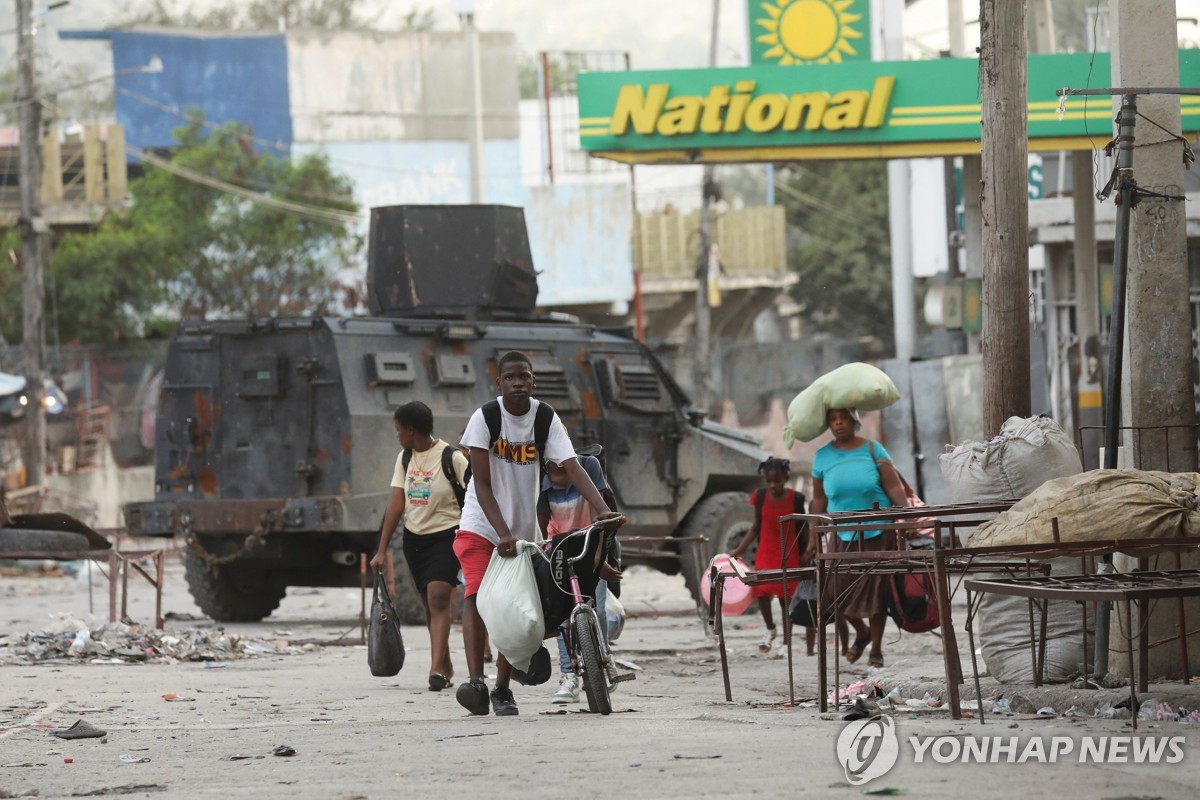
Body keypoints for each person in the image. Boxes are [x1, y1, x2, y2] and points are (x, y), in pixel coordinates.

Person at [453, 350, 620, 717]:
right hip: (482, 526)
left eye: (524, 377)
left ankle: (501, 689)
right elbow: (480, 483)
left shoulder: (544, 417)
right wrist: (500, 532)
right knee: (480, 597)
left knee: (512, 608)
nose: (517, 384)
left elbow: (573, 467)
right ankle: (476, 681)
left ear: (533, 381)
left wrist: (603, 509)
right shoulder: (485, 418)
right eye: (510, 378)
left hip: (523, 531)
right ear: (498, 382)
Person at [370, 402, 469, 692]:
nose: (397, 435)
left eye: (399, 430)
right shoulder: (404, 459)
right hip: (415, 541)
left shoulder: (452, 458)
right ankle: (445, 662)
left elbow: (476, 495)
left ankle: (435, 667)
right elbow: (396, 503)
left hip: (447, 536)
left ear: (411, 430)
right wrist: (381, 548)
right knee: (429, 604)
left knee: (439, 599)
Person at [809, 407, 908, 669]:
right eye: (832, 419)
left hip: (878, 530)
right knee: (834, 593)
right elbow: (818, 499)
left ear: (854, 421)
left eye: (843, 418)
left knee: (876, 591)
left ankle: (876, 649)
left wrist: (909, 517)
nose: (838, 423)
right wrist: (812, 537)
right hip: (842, 533)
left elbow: (893, 485)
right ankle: (861, 633)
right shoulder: (822, 457)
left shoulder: (874, 450)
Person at [537, 455, 622, 703]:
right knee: (562, 616)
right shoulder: (541, 478)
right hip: (559, 548)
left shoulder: (588, 467)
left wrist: (600, 559)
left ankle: (605, 657)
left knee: (599, 608)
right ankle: (569, 675)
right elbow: (542, 529)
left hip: (591, 542)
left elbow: (602, 512)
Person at [728, 457, 813, 657]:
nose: (773, 485)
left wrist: (807, 552)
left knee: (786, 600)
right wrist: (740, 549)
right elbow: (756, 526)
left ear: (786, 478)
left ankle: (786, 643)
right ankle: (770, 629)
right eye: (769, 481)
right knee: (762, 594)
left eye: (777, 481)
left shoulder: (797, 499)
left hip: (789, 554)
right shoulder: (760, 497)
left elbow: (803, 528)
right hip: (766, 552)